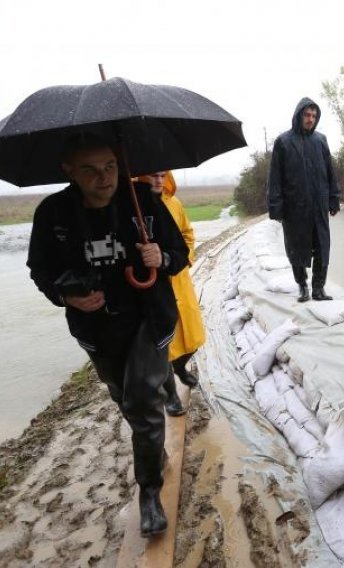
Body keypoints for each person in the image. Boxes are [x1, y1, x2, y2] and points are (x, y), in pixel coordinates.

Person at [27, 134, 189, 538]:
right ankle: (155, 451)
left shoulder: (143, 202)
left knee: (141, 399)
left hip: (149, 319)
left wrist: (161, 257)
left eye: (110, 167)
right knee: (126, 399)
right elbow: (40, 271)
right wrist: (67, 295)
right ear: (69, 171)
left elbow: (178, 253)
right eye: (90, 170)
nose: (104, 179)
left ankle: (149, 492)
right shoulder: (53, 214)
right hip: (97, 330)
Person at [267, 97, 340, 302]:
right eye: (307, 115)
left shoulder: (321, 140)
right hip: (294, 208)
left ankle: (318, 288)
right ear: (299, 115)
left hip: (319, 205)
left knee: (322, 246)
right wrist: (276, 207)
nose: (311, 119)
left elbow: (330, 172)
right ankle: (302, 287)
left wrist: (334, 199)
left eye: (314, 116)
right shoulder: (283, 142)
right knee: (296, 247)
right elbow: (275, 178)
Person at [145, 171, 206, 416]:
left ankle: (181, 368)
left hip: (179, 279)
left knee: (191, 337)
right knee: (162, 344)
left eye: (162, 175)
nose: (158, 181)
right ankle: (170, 394)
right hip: (153, 287)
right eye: (152, 175)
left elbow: (187, 235)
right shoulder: (134, 207)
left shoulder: (174, 203)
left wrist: (183, 259)